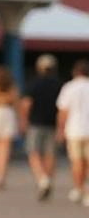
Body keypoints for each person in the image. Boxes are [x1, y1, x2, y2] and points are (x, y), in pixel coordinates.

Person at [19, 54, 62, 200]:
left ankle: (42, 179)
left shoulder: (33, 84)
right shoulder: (59, 85)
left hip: (35, 124)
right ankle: (48, 179)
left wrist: (23, 121)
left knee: (33, 153)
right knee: (51, 154)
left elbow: (26, 104)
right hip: (53, 124)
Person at [56, 58, 89, 207]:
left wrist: (60, 130)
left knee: (77, 161)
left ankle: (79, 188)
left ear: (75, 72)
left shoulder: (69, 87)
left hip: (74, 129)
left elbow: (63, 111)